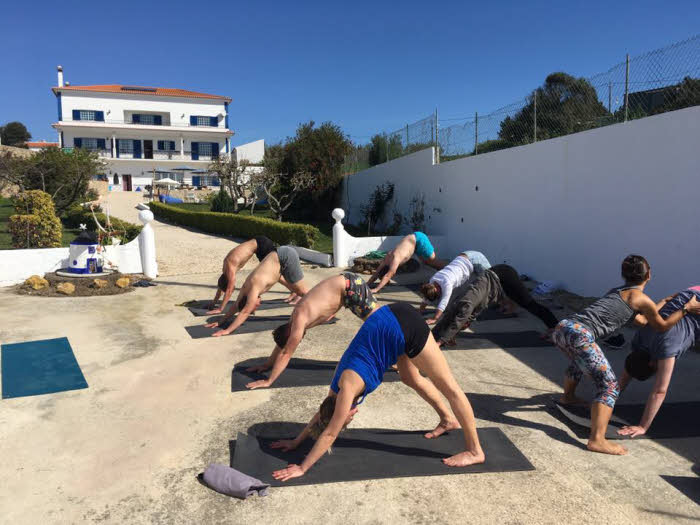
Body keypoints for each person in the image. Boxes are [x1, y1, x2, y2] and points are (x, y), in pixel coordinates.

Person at [268, 302, 485, 482]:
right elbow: (322, 415)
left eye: (346, 419)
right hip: (388, 319)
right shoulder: (335, 390)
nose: (351, 417)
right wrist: (297, 441)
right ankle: (447, 419)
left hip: (406, 325)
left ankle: (475, 451)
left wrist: (302, 468)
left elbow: (330, 432)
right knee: (409, 377)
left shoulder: (348, 388)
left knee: (450, 388)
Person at [551, 255, 700, 455]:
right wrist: (685, 309)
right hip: (581, 335)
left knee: (580, 361)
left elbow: (642, 321)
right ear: (649, 275)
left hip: (564, 328)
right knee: (609, 387)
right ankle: (597, 440)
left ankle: (567, 397)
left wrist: (664, 301)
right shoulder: (642, 299)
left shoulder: (619, 291)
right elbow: (661, 325)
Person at [244, 273, 380, 389]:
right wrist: (267, 364)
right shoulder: (292, 321)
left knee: (379, 323)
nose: (298, 340)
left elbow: (286, 352)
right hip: (346, 286)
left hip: (350, 287)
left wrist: (269, 381)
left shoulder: (298, 322)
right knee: (379, 323)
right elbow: (283, 345)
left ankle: (398, 352)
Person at [616, 287, 700, 438]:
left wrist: (642, 426)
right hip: (689, 293)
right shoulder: (639, 340)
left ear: (651, 365)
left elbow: (660, 391)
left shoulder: (666, 348)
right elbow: (626, 374)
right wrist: (606, 401)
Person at [205, 247, 310, 337]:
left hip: (285, 256)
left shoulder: (253, 290)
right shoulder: (245, 289)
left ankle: (323, 308)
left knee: (303, 292)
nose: (257, 306)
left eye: (254, 307)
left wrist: (227, 330)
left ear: (250, 301)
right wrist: (220, 321)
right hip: (277, 255)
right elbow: (236, 306)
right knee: (299, 291)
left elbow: (244, 312)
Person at [431, 268, 505, 346]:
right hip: (489, 280)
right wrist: (438, 340)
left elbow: (454, 322)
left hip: (489, 280)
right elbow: (455, 323)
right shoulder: (466, 306)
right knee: (456, 319)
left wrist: (438, 340)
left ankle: (447, 337)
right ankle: (447, 337)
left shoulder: (466, 304)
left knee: (455, 319)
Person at [206, 236, 277, 314]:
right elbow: (221, 288)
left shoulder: (230, 270)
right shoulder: (225, 272)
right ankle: (292, 291)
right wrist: (213, 303)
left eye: (232, 287)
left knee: (276, 272)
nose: (233, 288)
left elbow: (228, 291)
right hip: (259, 244)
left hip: (262, 245)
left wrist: (220, 309)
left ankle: (293, 291)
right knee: (276, 271)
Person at [490, 264, 559, 332]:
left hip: (503, 273)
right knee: (516, 298)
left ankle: (555, 328)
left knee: (528, 303)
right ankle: (554, 327)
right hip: (498, 274)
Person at [367, 232, 442, 294]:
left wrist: (376, 289)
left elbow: (387, 276)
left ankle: (445, 267)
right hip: (413, 242)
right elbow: (377, 273)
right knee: (425, 262)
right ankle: (439, 269)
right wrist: (367, 284)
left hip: (419, 239)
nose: (388, 279)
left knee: (433, 260)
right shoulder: (387, 259)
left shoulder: (394, 260)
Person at [419, 252, 475, 325]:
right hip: (461, 257)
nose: (439, 297)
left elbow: (443, 302)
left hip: (474, 260)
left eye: (438, 296)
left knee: (490, 278)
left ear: (437, 290)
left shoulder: (447, 284)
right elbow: (426, 298)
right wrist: (419, 312)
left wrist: (435, 319)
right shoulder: (433, 281)